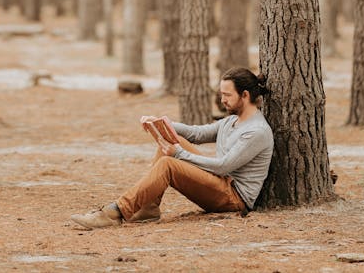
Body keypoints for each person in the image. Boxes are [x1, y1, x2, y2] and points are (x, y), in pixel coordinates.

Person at [69, 67, 274, 230]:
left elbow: (223, 166)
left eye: (227, 95)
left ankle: (115, 212)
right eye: (221, 94)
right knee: (168, 144)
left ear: (245, 95)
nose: (222, 100)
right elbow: (196, 134)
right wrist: (161, 124)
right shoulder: (232, 121)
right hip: (220, 182)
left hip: (233, 197)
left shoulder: (256, 131)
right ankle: (148, 208)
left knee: (169, 161)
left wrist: (180, 154)